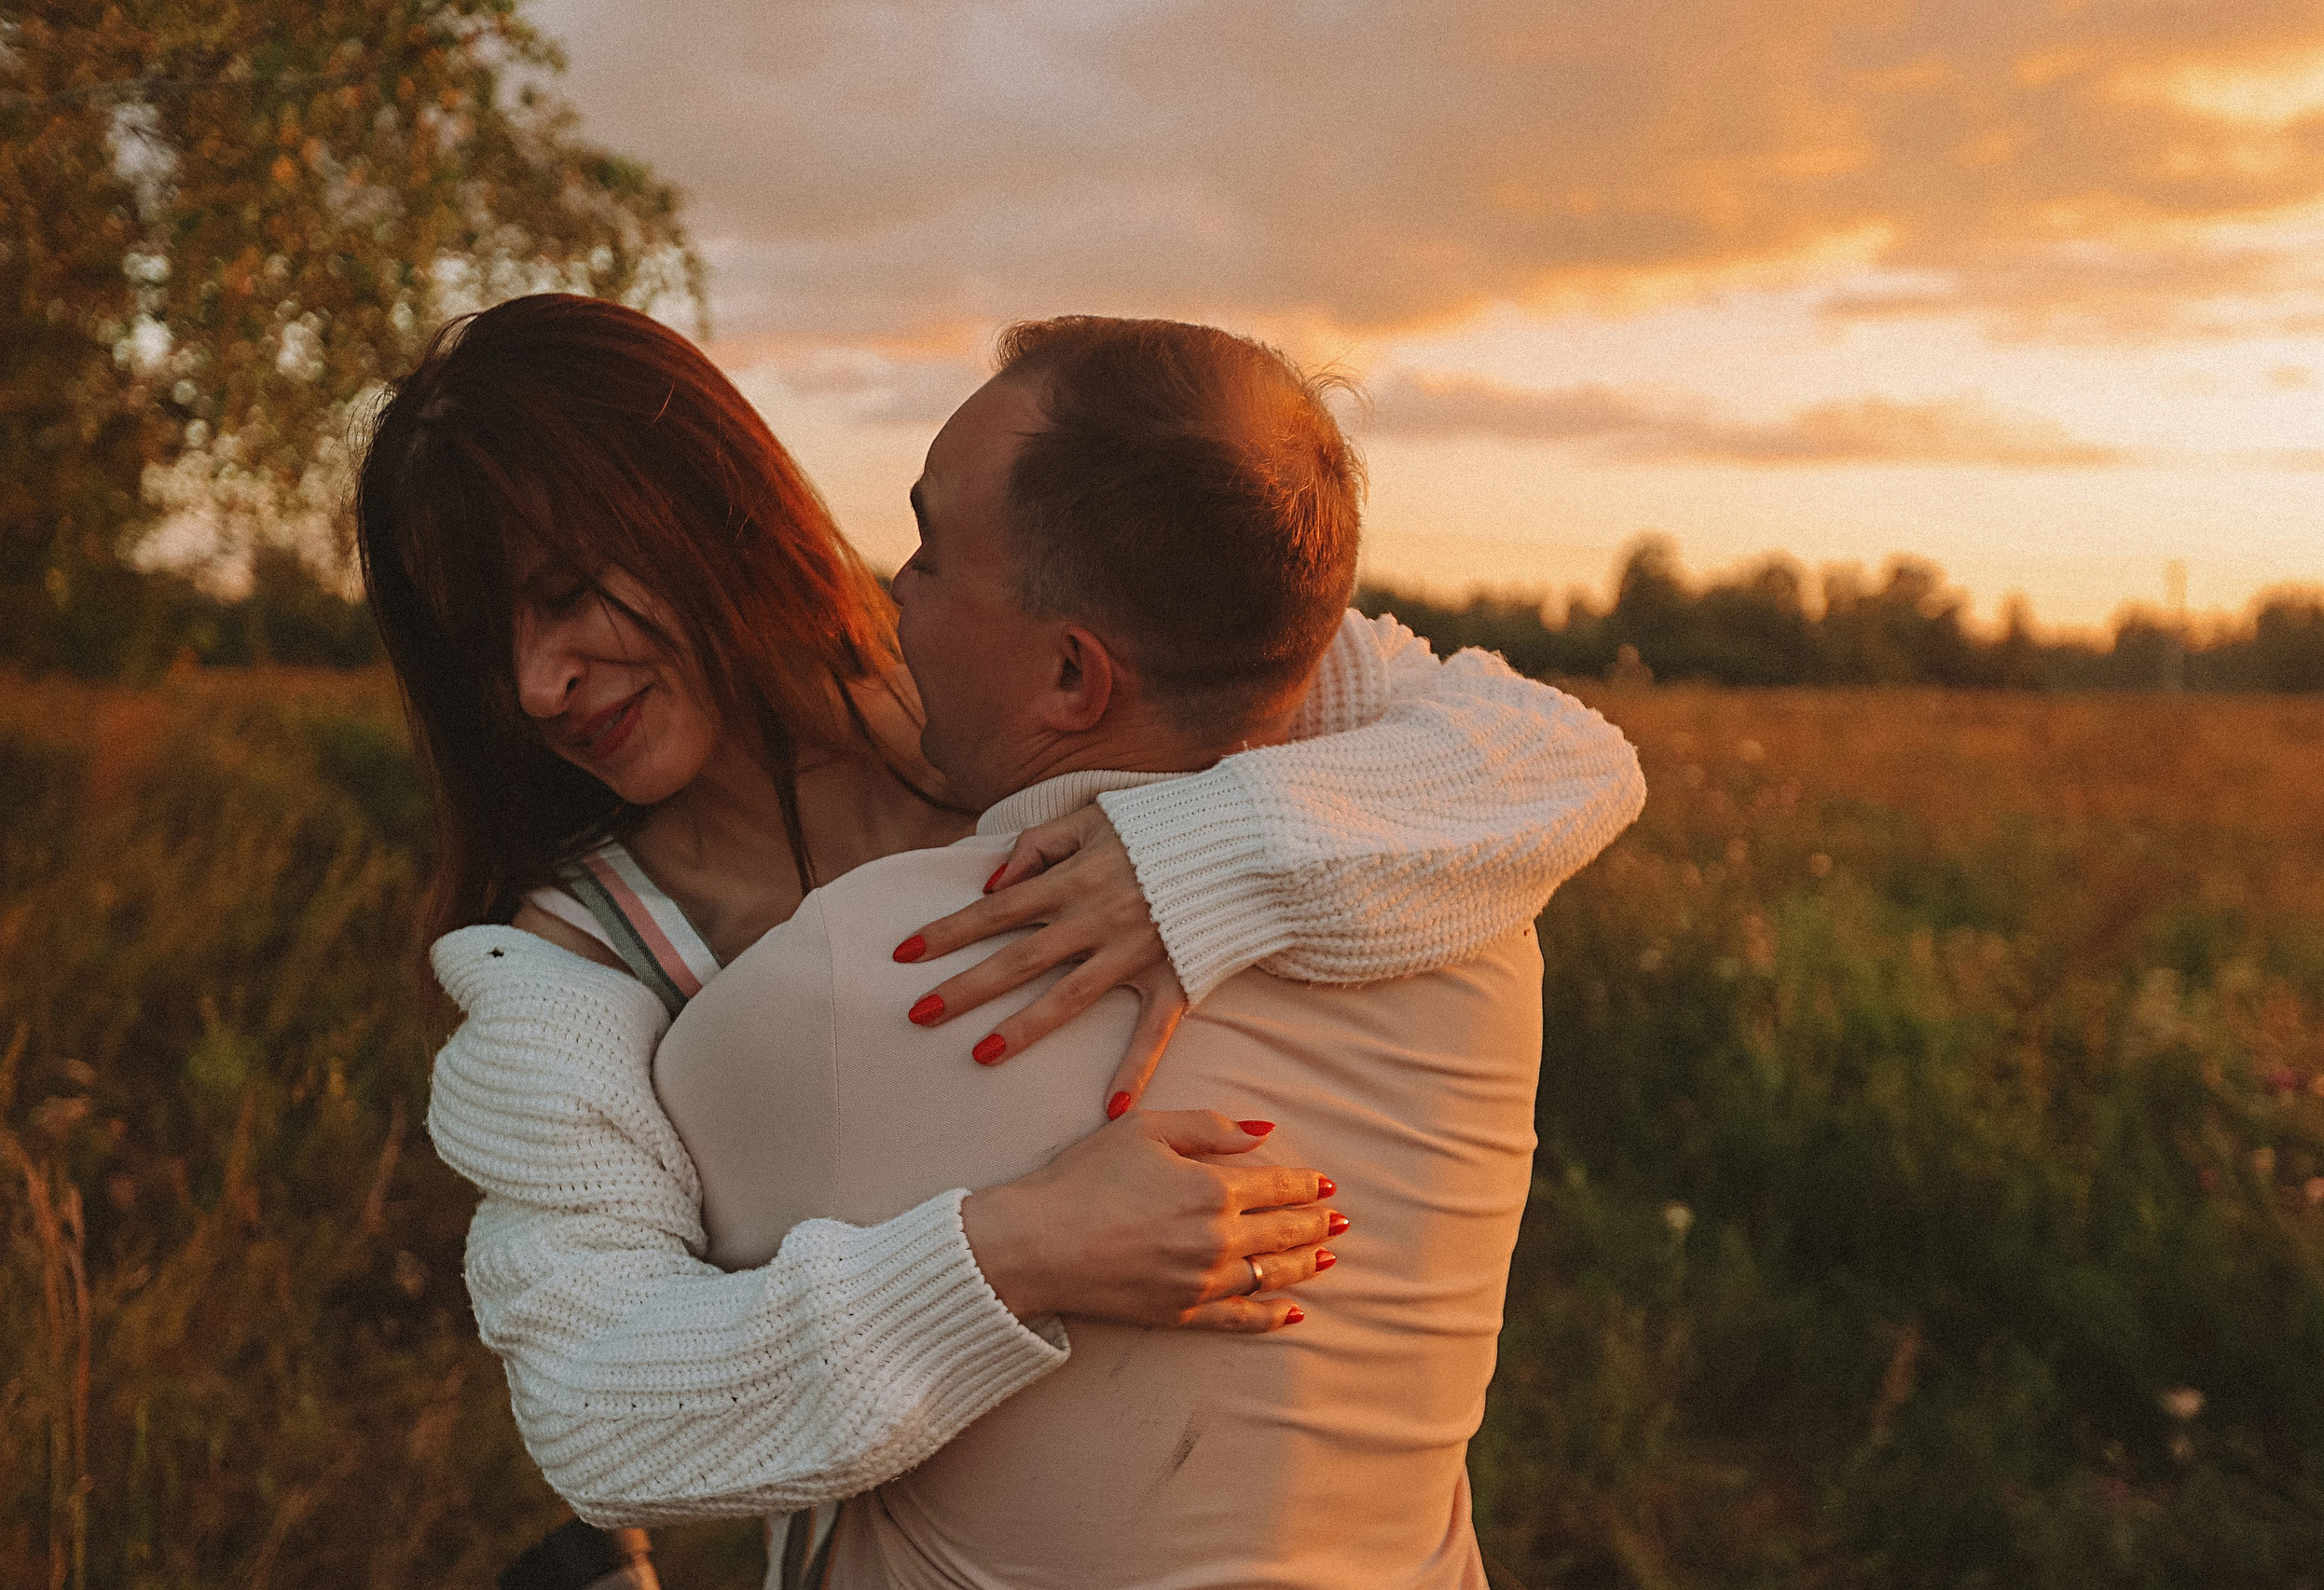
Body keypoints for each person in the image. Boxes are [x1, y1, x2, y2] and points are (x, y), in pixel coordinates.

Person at [353, 295, 1644, 1554]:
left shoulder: (1055, 658)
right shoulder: (569, 965)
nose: (534, 684)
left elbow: (1559, 757)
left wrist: (1192, 855)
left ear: (698, 510)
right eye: (486, 642)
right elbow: (592, 1405)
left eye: (571, 593)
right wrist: (1015, 1250)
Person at [655, 316, 1577, 1586]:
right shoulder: (1483, 926)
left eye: (930, 549)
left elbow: (630, 1352)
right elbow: (1437, 692)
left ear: (1073, 676)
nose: (893, 597)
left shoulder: (849, 987)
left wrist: (532, 973)